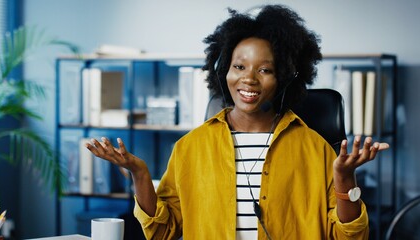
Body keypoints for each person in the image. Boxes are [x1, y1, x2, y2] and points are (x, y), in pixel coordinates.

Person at [85, 4, 389, 240]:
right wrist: (139, 174)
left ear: (283, 77)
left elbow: (348, 236)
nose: (248, 78)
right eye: (239, 66)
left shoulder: (316, 148)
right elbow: (162, 232)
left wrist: (345, 180)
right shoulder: (191, 148)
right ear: (223, 72)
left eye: (265, 70)